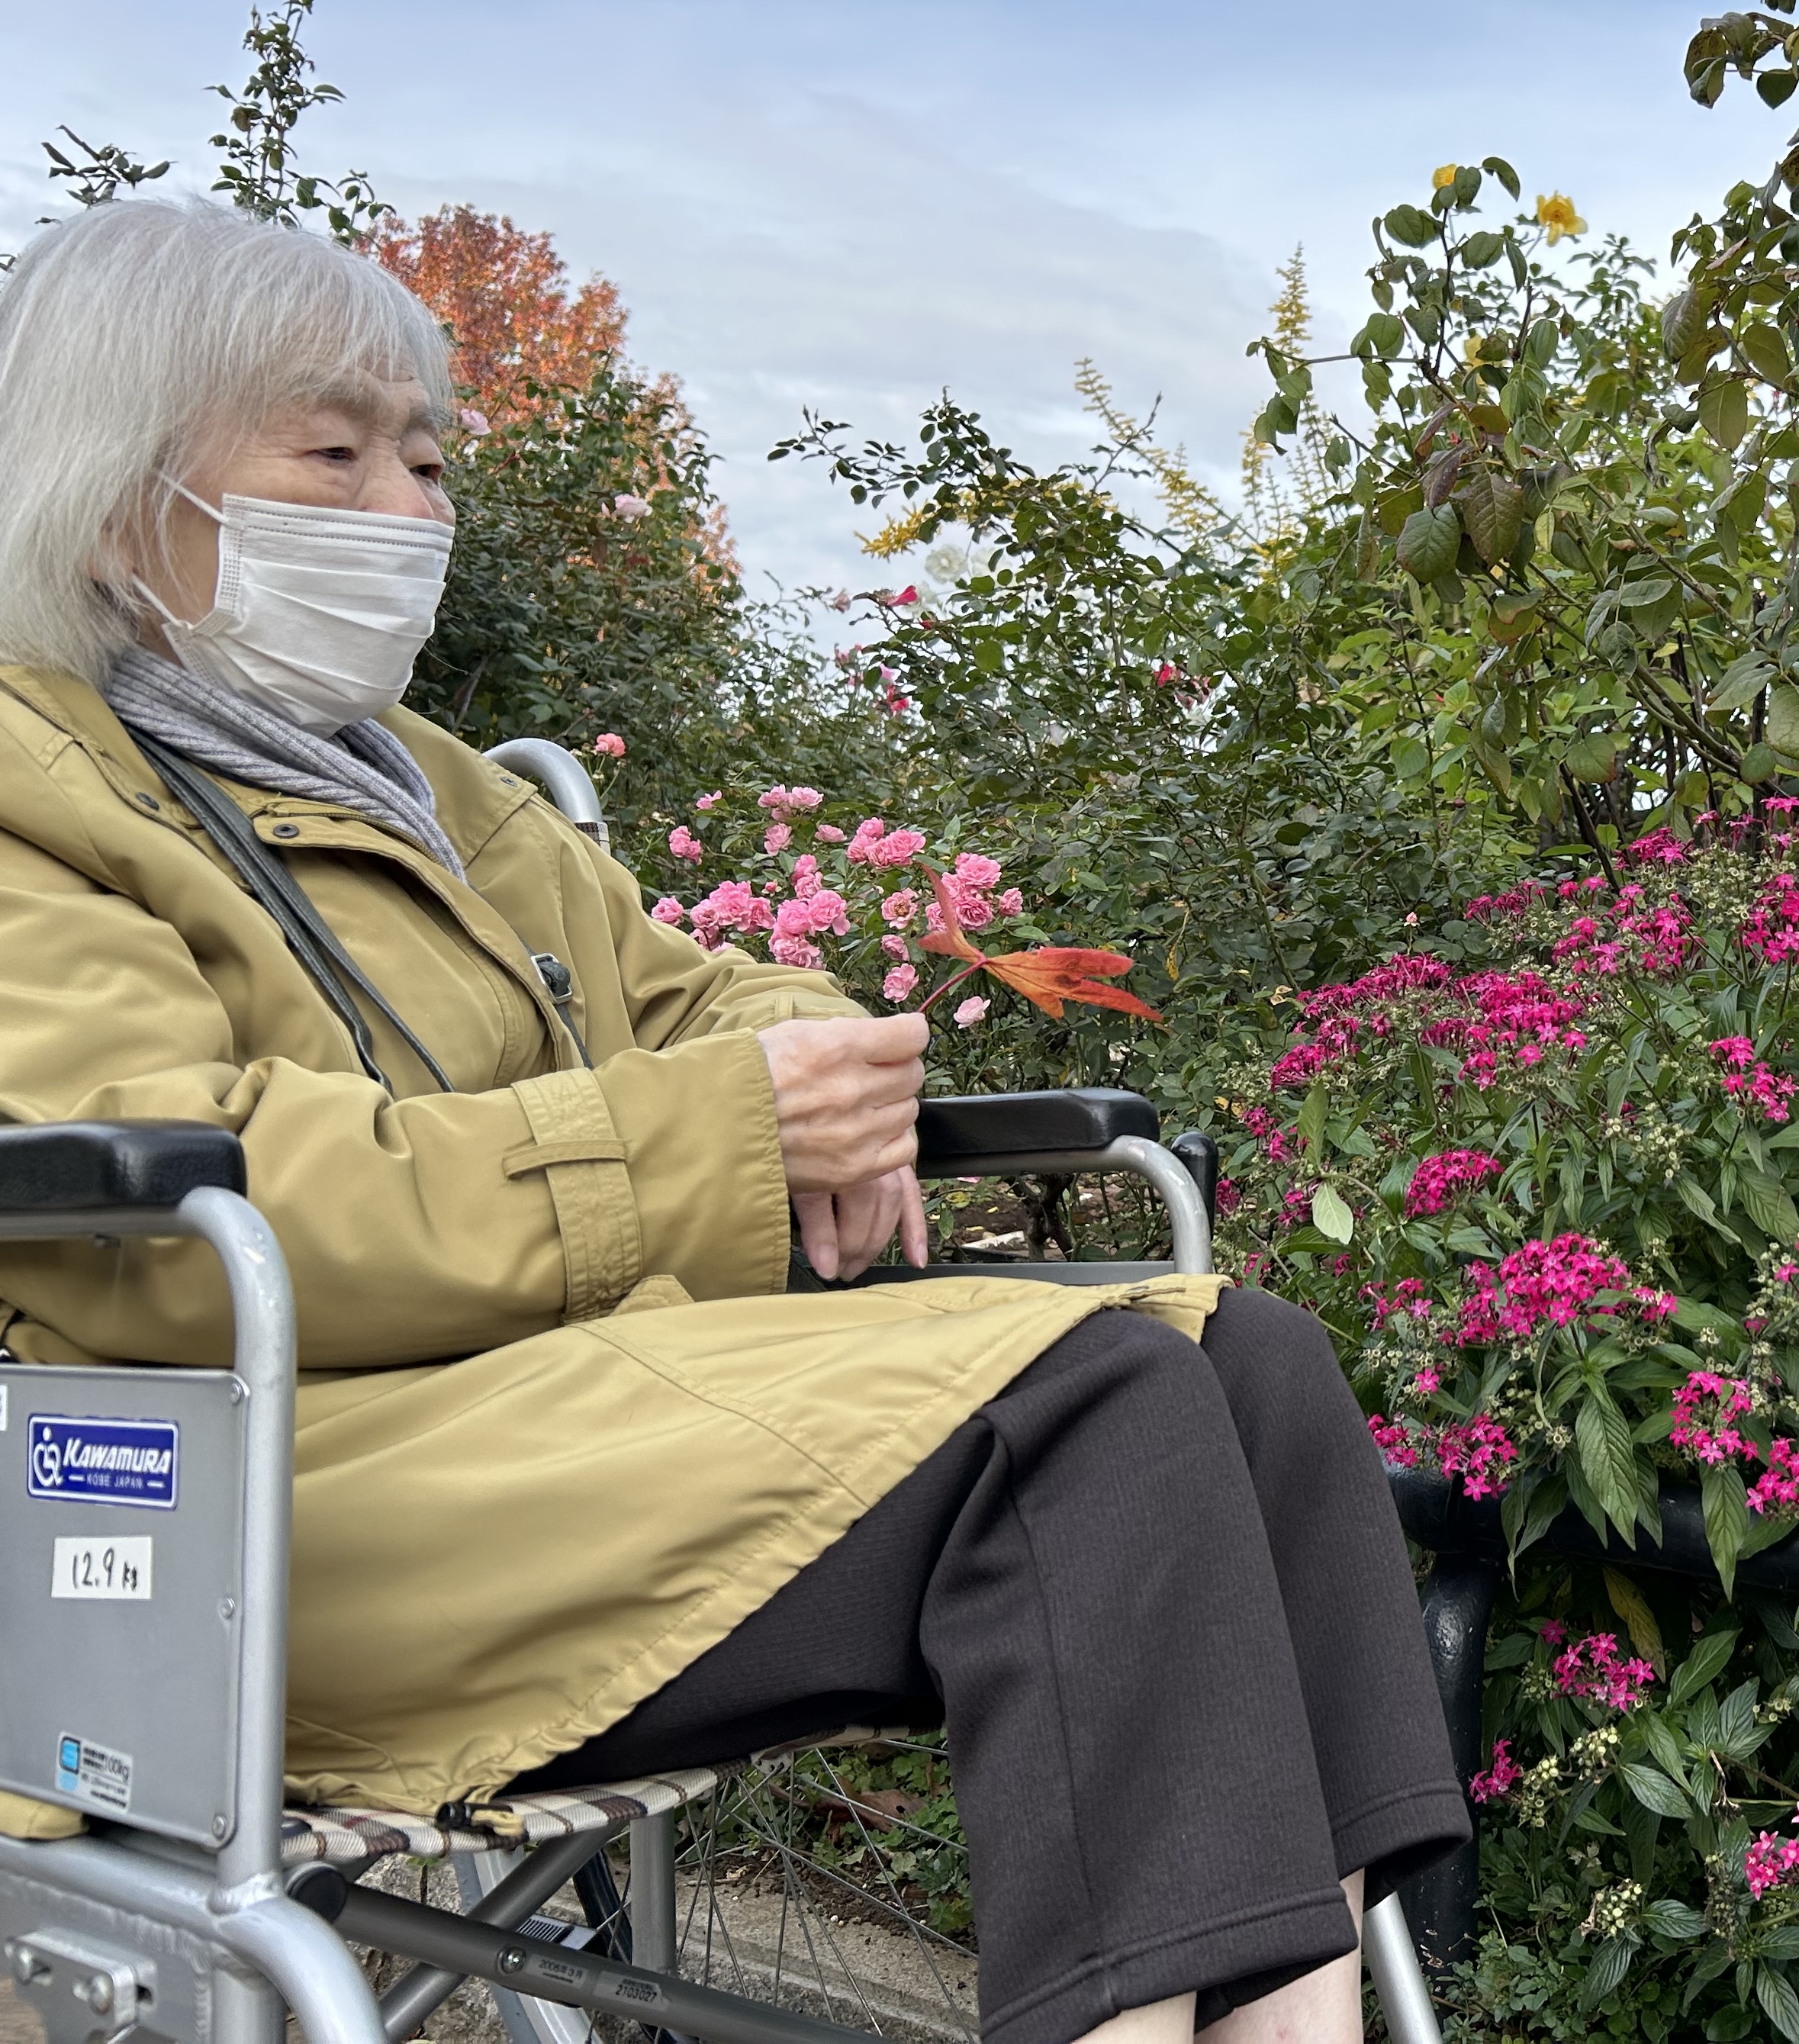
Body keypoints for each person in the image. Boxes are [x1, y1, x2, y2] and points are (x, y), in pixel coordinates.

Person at [0, 197, 1463, 2044]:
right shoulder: (34, 788)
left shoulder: (439, 788)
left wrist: (818, 1086)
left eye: (431, 455)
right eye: (334, 450)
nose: (413, 505)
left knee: (1251, 1363)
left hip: (569, 1419)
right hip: (286, 1498)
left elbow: (705, 998)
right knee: (1091, 1415)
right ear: (129, 494)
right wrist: (712, 1138)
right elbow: (177, 1217)